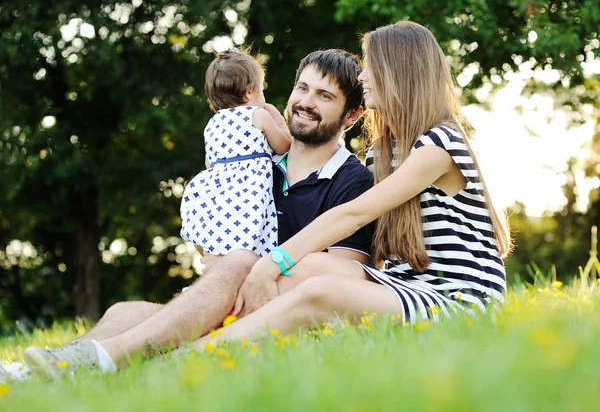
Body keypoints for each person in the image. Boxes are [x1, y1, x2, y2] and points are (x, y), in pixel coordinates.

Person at [21, 49, 374, 379]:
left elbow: (341, 279)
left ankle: (95, 362)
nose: (305, 103)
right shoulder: (255, 166)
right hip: (226, 307)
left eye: (324, 96)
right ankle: (49, 371)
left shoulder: (352, 181)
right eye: (302, 88)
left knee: (239, 262)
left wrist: (252, 275)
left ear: (353, 115)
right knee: (123, 313)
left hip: (279, 316)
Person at [185, 20, 512, 346]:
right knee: (314, 265)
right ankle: (194, 336)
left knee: (319, 289)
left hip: (458, 295)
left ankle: (194, 351)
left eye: (371, 67)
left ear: (398, 73)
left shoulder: (440, 144)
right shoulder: (382, 154)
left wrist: (271, 264)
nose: (362, 76)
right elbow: (380, 251)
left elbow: (352, 215)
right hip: (402, 283)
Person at [180, 47, 291, 258]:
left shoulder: (212, 124)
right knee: (257, 237)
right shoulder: (258, 115)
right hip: (251, 194)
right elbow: (284, 146)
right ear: (249, 92)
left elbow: (209, 163)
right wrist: (277, 118)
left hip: (221, 197)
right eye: (261, 89)